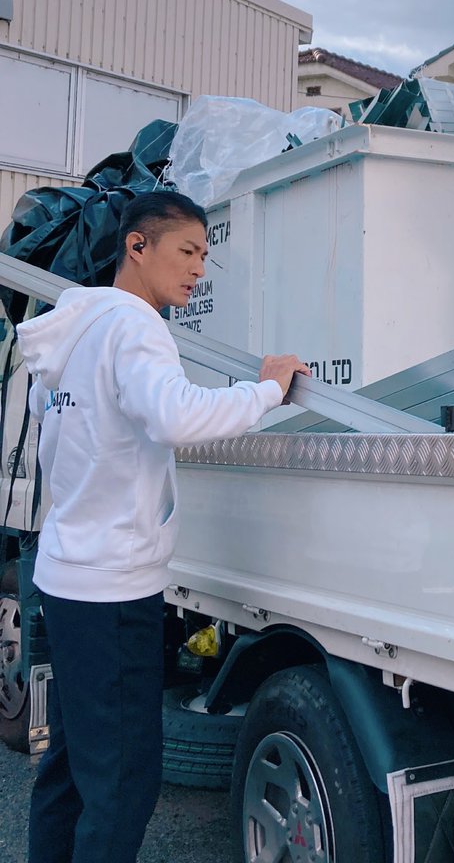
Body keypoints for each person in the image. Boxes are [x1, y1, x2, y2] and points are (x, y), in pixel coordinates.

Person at [17, 191, 310, 863]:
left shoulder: (74, 332)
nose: (198, 270)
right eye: (187, 251)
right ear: (136, 246)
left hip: (67, 577)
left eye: (205, 256)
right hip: (113, 591)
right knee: (120, 783)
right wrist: (266, 390)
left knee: (70, 765)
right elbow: (174, 417)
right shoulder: (134, 326)